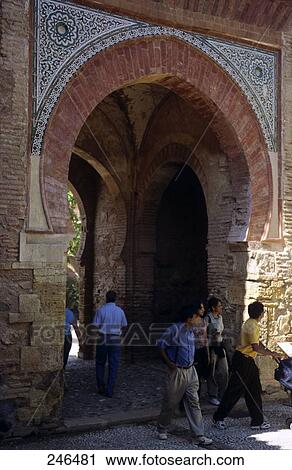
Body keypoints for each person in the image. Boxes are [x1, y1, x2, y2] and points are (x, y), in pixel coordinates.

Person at [213, 301, 281, 430]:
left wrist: (268, 350)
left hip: (248, 360)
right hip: (242, 361)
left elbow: (256, 341)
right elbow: (255, 347)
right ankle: (218, 417)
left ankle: (257, 420)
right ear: (260, 313)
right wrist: (270, 353)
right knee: (234, 390)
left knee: (254, 389)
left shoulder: (250, 323)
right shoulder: (253, 326)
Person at [156, 305, 213, 446]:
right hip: (178, 371)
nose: (199, 318)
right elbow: (161, 345)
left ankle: (198, 435)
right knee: (170, 402)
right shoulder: (174, 330)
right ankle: (162, 428)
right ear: (190, 318)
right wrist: (170, 364)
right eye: (197, 316)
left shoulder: (191, 331)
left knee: (194, 402)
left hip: (191, 370)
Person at [93, 290, 127, 398]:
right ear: (115, 299)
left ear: (106, 298)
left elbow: (95, 325)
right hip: (115, 338)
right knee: (114, 365)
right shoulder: (120, 311)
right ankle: (110, 389)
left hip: (103, 338)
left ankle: (101, 386)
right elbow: (124, 324)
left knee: (100, 362)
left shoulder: (101, 310)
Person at [207, 296, 228, 405]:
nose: (221, 307)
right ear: (213, 307)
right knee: (213, 372)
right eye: (219, 306)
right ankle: (212, 395)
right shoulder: (208, 318)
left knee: (224, 372)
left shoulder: (220, 318)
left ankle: (222, 393)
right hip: (211, 346)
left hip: (220, 345)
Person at [193, 301, 210, 396]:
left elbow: (205, 337)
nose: (203, 310)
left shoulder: (204, 321)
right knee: (195, 374)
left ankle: (197, 396)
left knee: (201, 374)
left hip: (202, 349)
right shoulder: (190, 321)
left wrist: (207, 352)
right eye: (201, 308)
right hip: (194, 350)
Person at [64, 304, 83, 369]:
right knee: (65, 356)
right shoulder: (69, 313)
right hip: (67, 336)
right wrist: (80, 341)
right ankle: (63, 369)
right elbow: (76, 328)